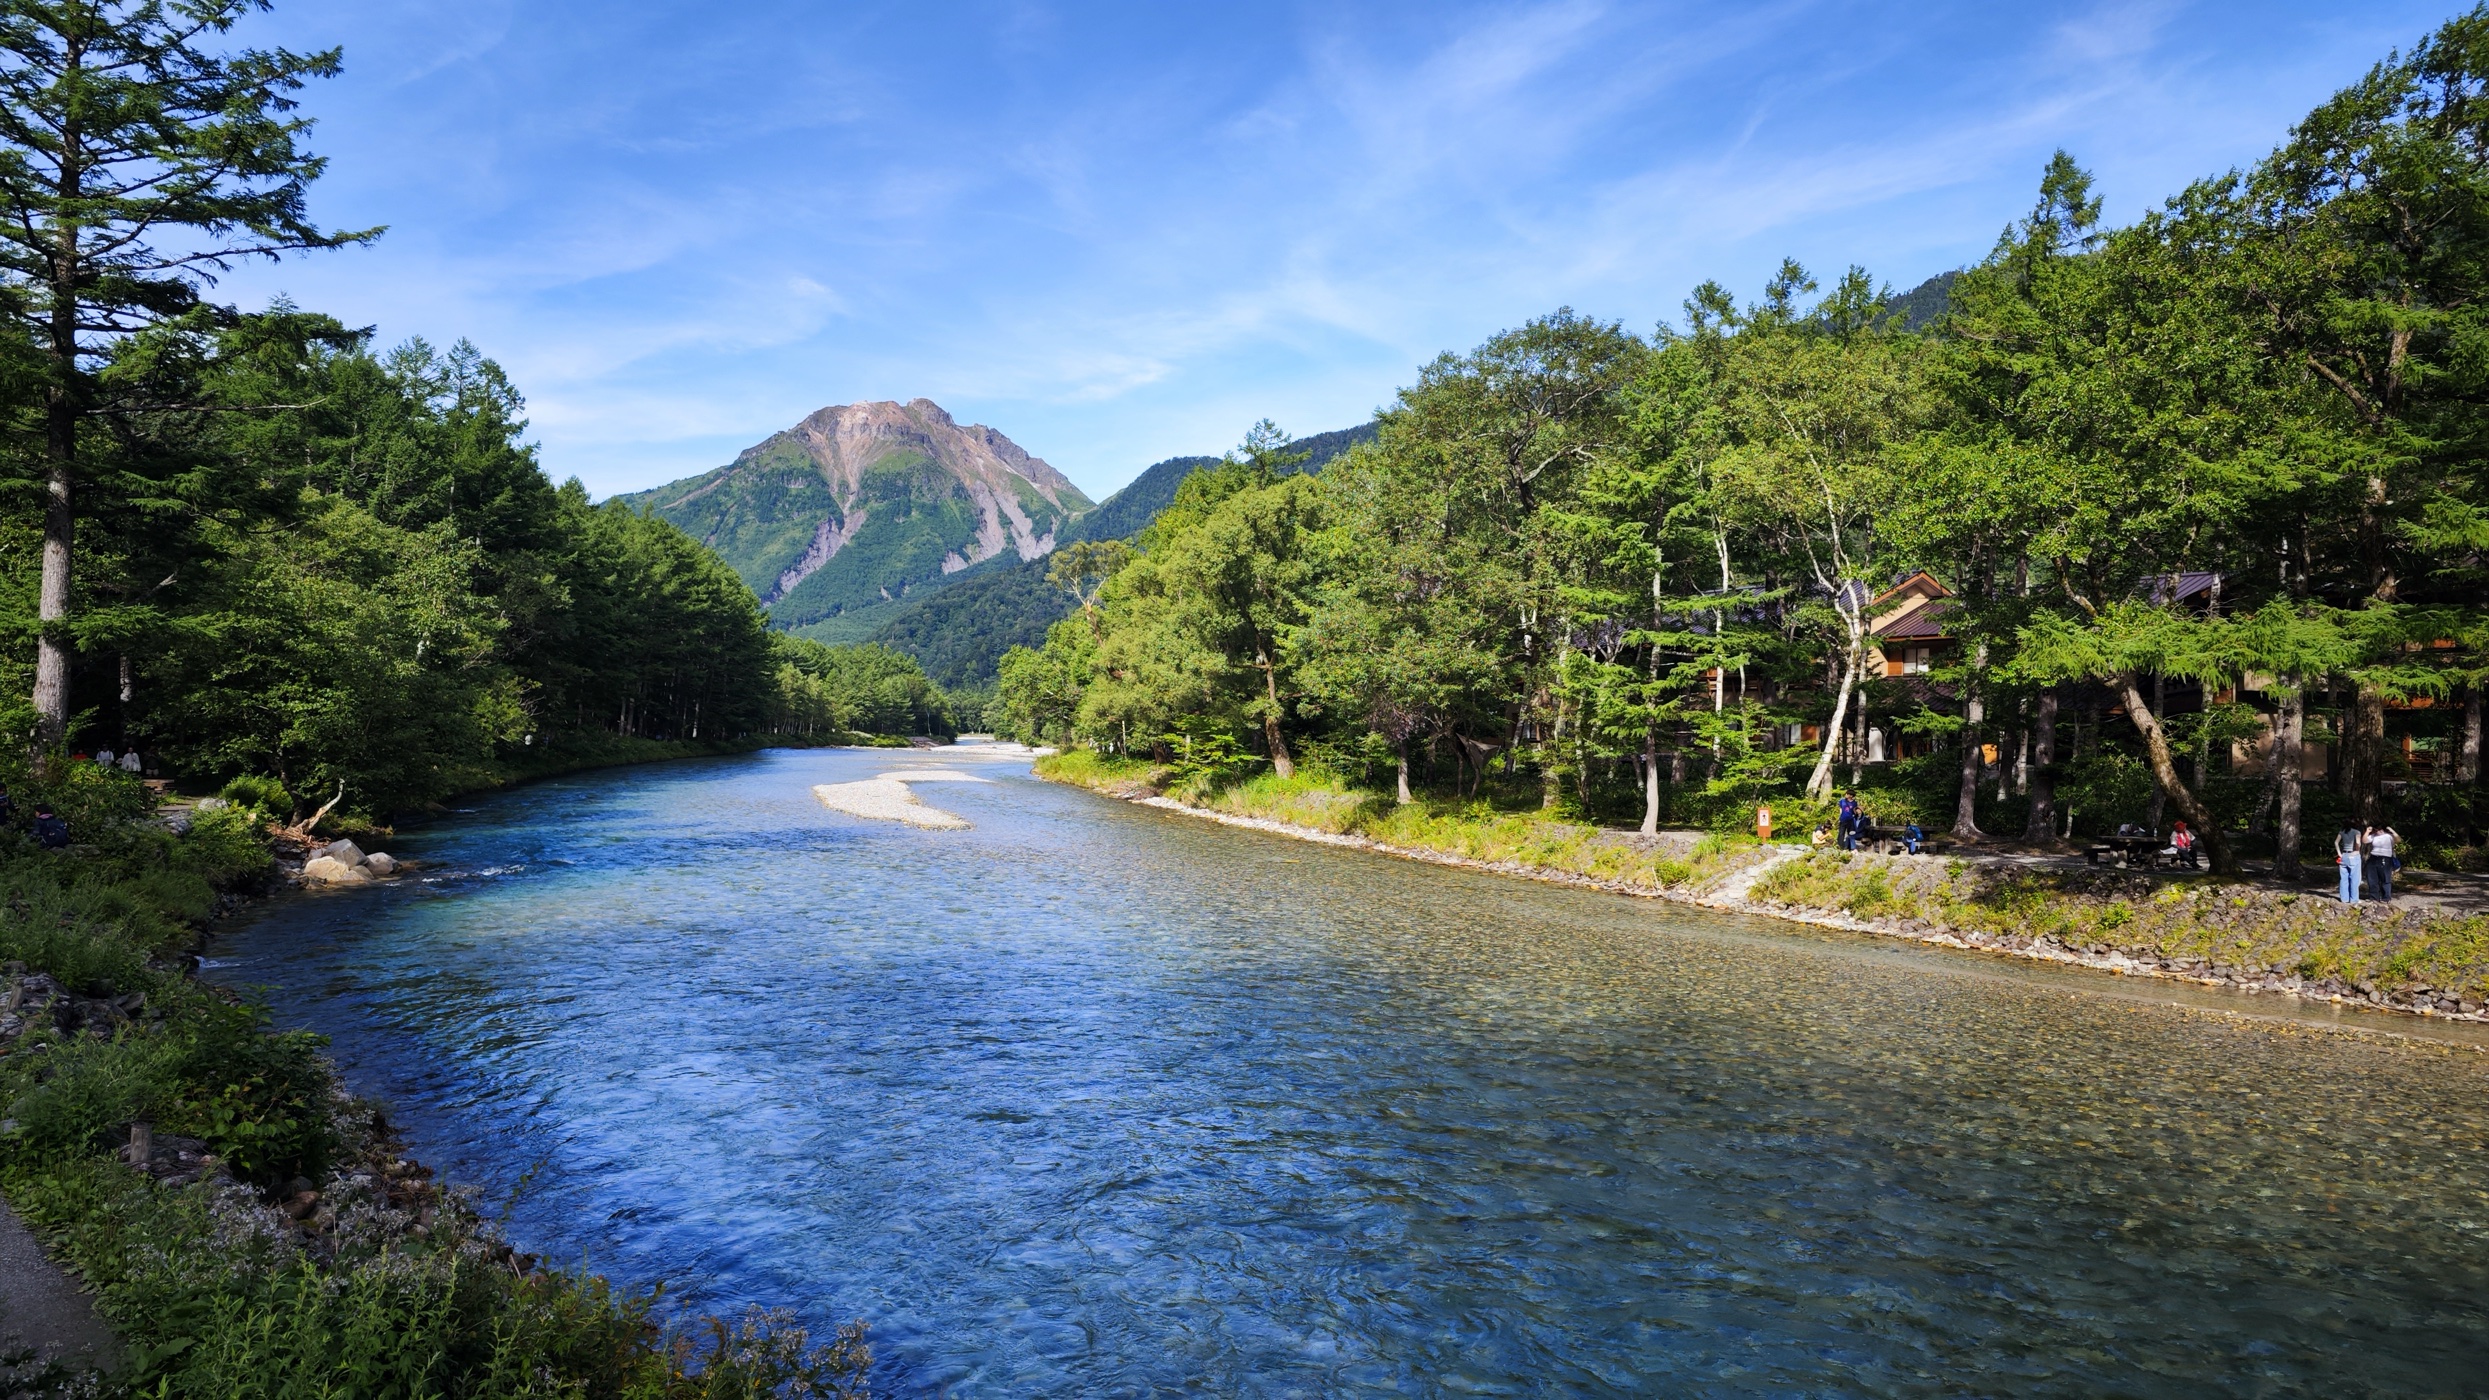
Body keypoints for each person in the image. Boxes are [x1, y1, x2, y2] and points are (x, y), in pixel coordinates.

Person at [2367, 822, 2400, 902]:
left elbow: (2398, 840)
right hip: (2374, 857)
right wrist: (2367, 832)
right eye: (2377, 830)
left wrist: (2392, 830)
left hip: (2385, 858)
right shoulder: (2373, 836)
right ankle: (2374, 897)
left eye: (2380, 829)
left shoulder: (2389, 836)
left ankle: (2386, 897)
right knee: (2372, 878)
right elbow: (2364, 840)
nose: (2379, 831)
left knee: (2385, 878)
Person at [2335, 822, 2365, 905]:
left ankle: (2344, 899)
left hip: (2344, 855)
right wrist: (2357, 850)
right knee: (2355, 878)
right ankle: (2354, 899)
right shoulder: (2357, 832)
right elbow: (2358, 843)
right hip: (2353, 855)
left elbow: (2336, 842)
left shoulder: (2342, 832)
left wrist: (2339, 853)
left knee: (2343, 878)